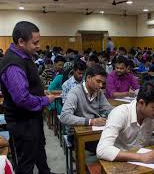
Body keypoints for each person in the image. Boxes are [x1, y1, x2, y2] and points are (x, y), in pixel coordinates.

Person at [0, 21, 59, 174]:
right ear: (21, 42)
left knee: (39, 150)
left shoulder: (24, 55)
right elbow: (22, 99)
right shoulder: (13, 64)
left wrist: (40, 93)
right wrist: (45, 100)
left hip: (32, 118)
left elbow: (28, 86)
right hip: (22, 122)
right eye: (35, 42)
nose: (39, 45)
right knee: (26, 162)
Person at [97, 81, 154, 163]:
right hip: (120, 160)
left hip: (144, 159)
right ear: (141, 103)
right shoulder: (119, 113)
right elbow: (102, 150)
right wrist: (140, 157)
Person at [60, 65, 113, 146]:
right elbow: (64, 117)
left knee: (116, 140)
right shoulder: (75, 92)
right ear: (88, 78)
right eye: (98, 81)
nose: (101, 85)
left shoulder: (99, 92)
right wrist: (91, 121)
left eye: (103, 83)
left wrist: (119, 113)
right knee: (106, 146)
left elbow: (109, 109)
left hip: (94, 131)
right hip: (76, 134)